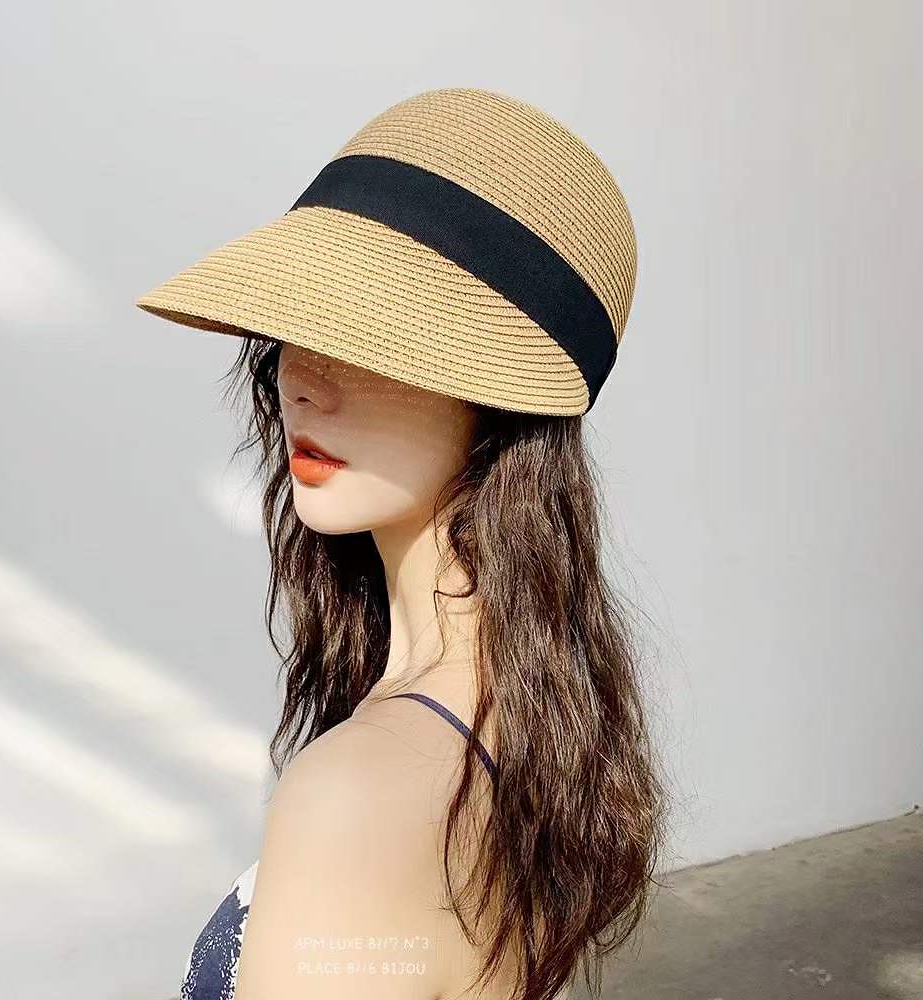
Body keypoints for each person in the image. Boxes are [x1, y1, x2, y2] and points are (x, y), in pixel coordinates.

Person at [135, 86, 669, 1000]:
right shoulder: (535, 712)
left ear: (499, 398)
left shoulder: (360, 795)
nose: (302, 379)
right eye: (298, 324)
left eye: (370, 336)